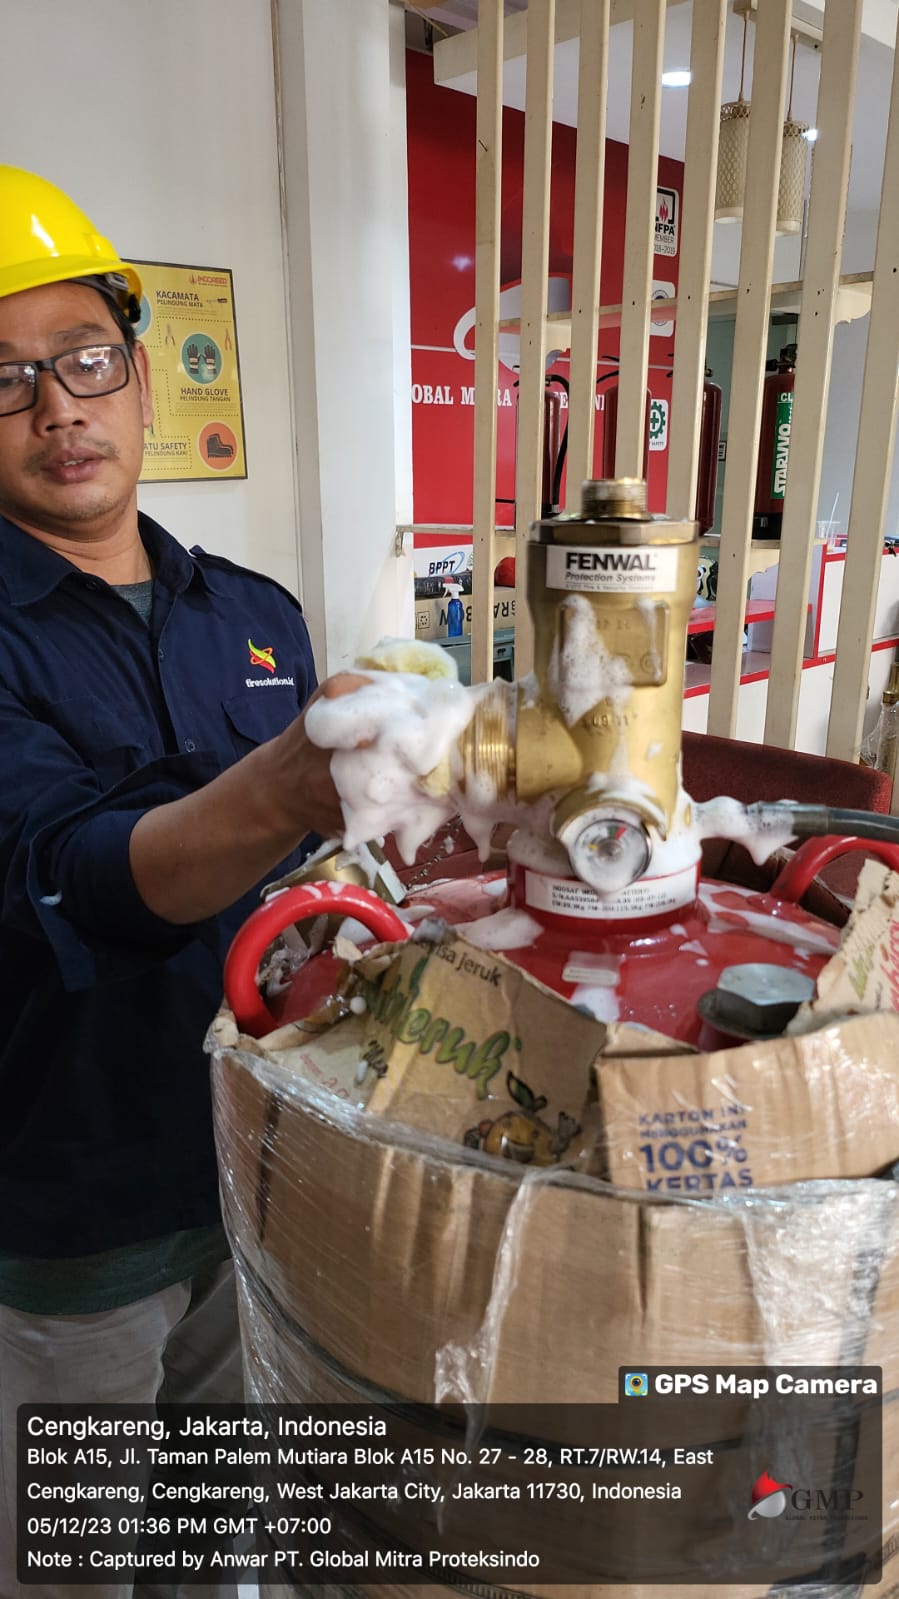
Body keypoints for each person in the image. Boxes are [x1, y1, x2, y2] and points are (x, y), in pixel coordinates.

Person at [0, 166, 356, 1598]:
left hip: (256, 1180)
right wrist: (285, 785)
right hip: (71, 1205)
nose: (57, 409)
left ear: (142, 378)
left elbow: (318, 886)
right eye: (5, 380)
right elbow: (73, 874)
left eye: (84, 361)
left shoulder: (256, 615)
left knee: (214, 1551)